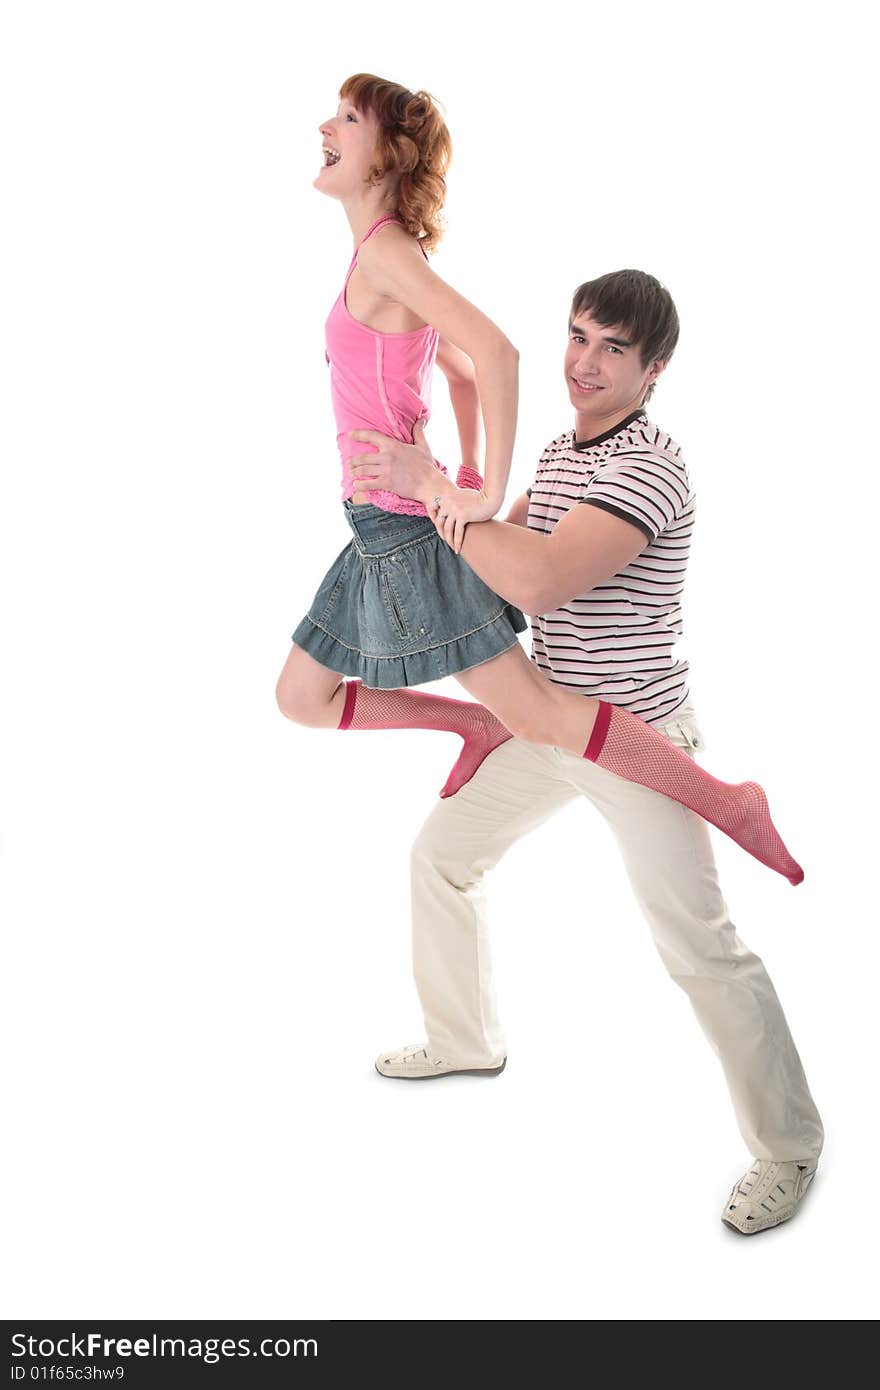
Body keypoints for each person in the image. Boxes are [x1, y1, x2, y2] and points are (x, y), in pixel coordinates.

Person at [345, 268, 824, 1235]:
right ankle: (464, 1037)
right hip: (549, 719)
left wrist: (439, 489)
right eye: (577, 336)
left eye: (613, 347)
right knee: (442, 856)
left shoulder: (650, 469)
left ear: (655, 368)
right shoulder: (564, 451)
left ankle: (790, 1146)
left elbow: (544, 580)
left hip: (638, 740)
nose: (584, 362)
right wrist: (431, 504)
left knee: (700, 951)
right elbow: (495, 568)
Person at [275, 72, 802, 887]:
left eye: (347, 118)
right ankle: (472, 728)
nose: (326, 126)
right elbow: (452, 368)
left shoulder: (385, 251)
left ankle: (729, 803)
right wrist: (470, 471)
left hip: (403, 524)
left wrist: (475, 496)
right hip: (377, 525)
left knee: (545, 714)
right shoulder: (375, 256)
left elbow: (495, 354)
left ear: (387, 155)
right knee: (302, 698)